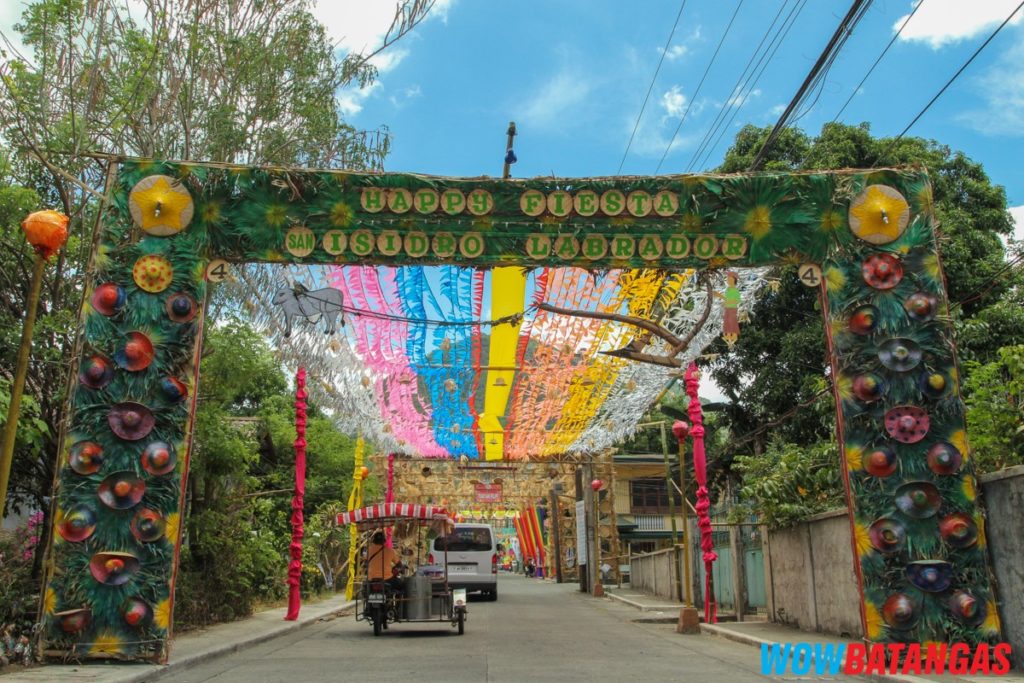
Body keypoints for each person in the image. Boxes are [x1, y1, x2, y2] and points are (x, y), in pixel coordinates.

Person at [366, 530, 404, 595]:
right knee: (402, 585)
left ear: (374, 541)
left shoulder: (368, 550)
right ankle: (399, 604)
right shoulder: (390, 551)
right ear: (384, 541)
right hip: (387, 579)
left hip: (371, 579)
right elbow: (399, 564)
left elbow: (366, 562)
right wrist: (401, 568)